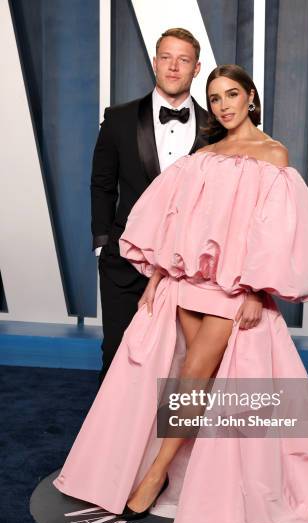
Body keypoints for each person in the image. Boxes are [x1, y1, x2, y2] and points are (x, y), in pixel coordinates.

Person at [53, 65, 308, 523]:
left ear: (251, 98)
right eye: (215, 98)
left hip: (230, 288)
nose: (223, 105)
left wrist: (256, 290)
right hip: (186, 283)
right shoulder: (204, 155)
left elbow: (275, 233)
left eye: (232, 94)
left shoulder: (273, 155)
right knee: (188, 375)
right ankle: (179, 468)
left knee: (196, 370)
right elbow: (177, 218)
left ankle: (155, 473)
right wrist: (157, 274)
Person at [91, 28, 208, 385]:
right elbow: (102, 183)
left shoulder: (215, 128)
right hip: (124, 260)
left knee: (185, 362)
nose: (174, 67)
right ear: (155, 63)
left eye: (183, 59)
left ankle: (170, 440)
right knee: (118, 355)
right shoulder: (119, 118)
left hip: (189, 266)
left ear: (197, 68)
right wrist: (102, 243)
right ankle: (112, 440)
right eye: (167, 58)